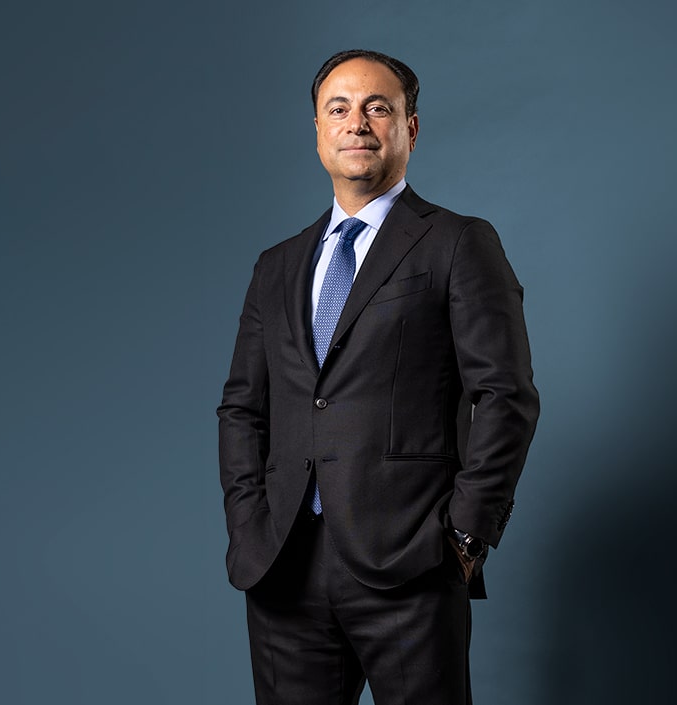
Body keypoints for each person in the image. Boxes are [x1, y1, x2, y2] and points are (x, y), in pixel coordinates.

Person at [217, 48, 539, 705]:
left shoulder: (458, 242)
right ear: (317, 129)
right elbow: (243, 408)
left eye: (377, 108)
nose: (356, 123)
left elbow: (504, 395)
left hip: (411, 561)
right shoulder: (276, 265)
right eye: (338, 109)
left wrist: (466, 534)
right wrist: (249, 523)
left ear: (409, 128)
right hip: (282, 567)